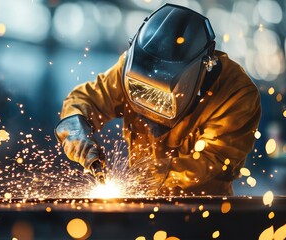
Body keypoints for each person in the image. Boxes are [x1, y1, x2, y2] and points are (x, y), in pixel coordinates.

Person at [54, 3, 261, 196]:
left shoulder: (236, 93)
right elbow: (86, 99)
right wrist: (76, 129)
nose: (152, 103)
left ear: (199, 72)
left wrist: (159, 173)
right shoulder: (131, 71)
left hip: (201, 210)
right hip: (139, 203)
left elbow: (216, 159)